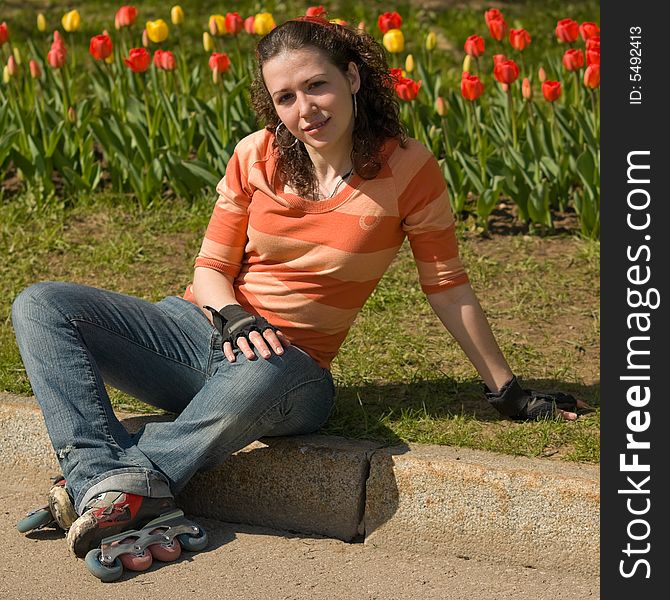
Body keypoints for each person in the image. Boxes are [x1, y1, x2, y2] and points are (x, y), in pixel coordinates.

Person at [11, 16, 591, 568]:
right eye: (286, 97)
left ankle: (110, 486)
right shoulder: (255, 154)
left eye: (318, 86)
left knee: (266, 368)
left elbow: (446, 287)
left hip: (290, 369)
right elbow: (211, 269)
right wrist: (234, 317)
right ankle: (108, 486)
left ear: (353, 77)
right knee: (41, 304)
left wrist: (507, 392)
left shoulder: (407, 168)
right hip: (200, 331)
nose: (305, 110)